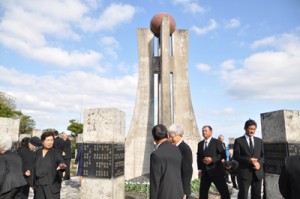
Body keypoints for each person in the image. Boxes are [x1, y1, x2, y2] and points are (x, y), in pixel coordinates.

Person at [150, 124, 184, 199]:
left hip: (164, 195)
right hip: (178, 193)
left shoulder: (156, 154)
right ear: (167, 135)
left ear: (154, 138)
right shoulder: (177, 149)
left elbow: (155, 181)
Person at [197, 125, 230, 199]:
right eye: (203, 131)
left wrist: (212, 159)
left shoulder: (217, 142)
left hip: (217, 171)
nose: (204, 132)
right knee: (202, 193)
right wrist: (200, 169)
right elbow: (199, 158)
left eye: (206, 131)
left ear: (211, 132)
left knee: (224, 192)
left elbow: (222, 155)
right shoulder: (200, 144)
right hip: (205, 173)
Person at [233, 119, 264, 199]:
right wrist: (248, 160)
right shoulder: (239, 141)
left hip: (257, 174)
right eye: (250, 129)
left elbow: (264, 156)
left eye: (254, 129)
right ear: (245, 128)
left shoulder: (259, 141)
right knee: (243, 196)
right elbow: (236, 156)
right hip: (244, 174)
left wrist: (259, 164)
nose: (252, 131)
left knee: (257, 196)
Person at [34, 130, 66, 199]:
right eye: (48, 140)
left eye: (51, 140)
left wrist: (62, 165)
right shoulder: (37, 152)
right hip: (39, 185)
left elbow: (60, 160)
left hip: (51, 184)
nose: (50, 142)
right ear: (42, 141)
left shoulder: (55, 152)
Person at [167, 124, 193, 199]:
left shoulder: (185, 149)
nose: (170, 139)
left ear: (180, 135)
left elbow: (187, 171)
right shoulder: (172, 147)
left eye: (172, 137)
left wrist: (185, 191)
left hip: (181, 188)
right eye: (169, 136)